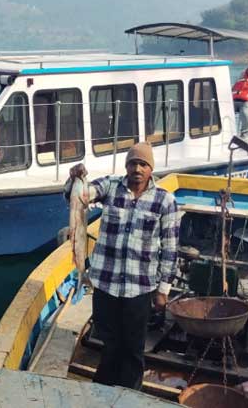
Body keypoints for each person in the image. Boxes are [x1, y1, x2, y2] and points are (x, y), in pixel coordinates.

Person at [66, 142, 179, 389]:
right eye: (132, 163)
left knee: (133, 347)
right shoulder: (111, 186)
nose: (137, 168)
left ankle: (130, 394)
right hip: (106, 284)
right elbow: (81, 195)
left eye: (143, 164)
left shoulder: (164, 200)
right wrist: (75, 178)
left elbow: (170, 249)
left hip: (139, 289)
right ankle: (103, 390)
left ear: (151, 169)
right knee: (109, 342)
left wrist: (163, 290)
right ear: (126, 165)